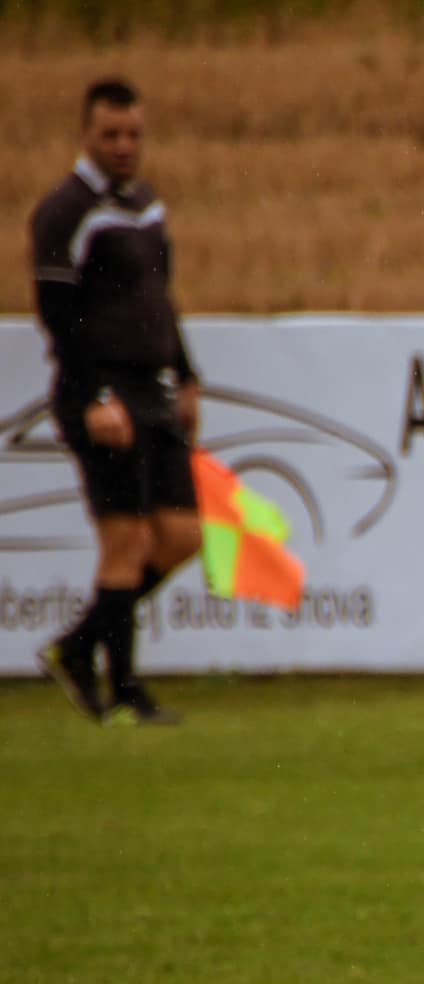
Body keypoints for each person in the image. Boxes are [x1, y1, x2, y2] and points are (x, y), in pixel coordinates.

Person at [31, 77, 202, 726]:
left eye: (133, 134)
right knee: (125, 541)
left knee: (181, 535)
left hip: (153, 389)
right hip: (101, 393)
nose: (124, 145)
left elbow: (161, 298)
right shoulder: (63, 212)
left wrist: (186, 375)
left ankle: (78, 647)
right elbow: (58, 315)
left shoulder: (146, 205)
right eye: (111, 134)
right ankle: (124, 690)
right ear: (87, 135)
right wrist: (95, 395)